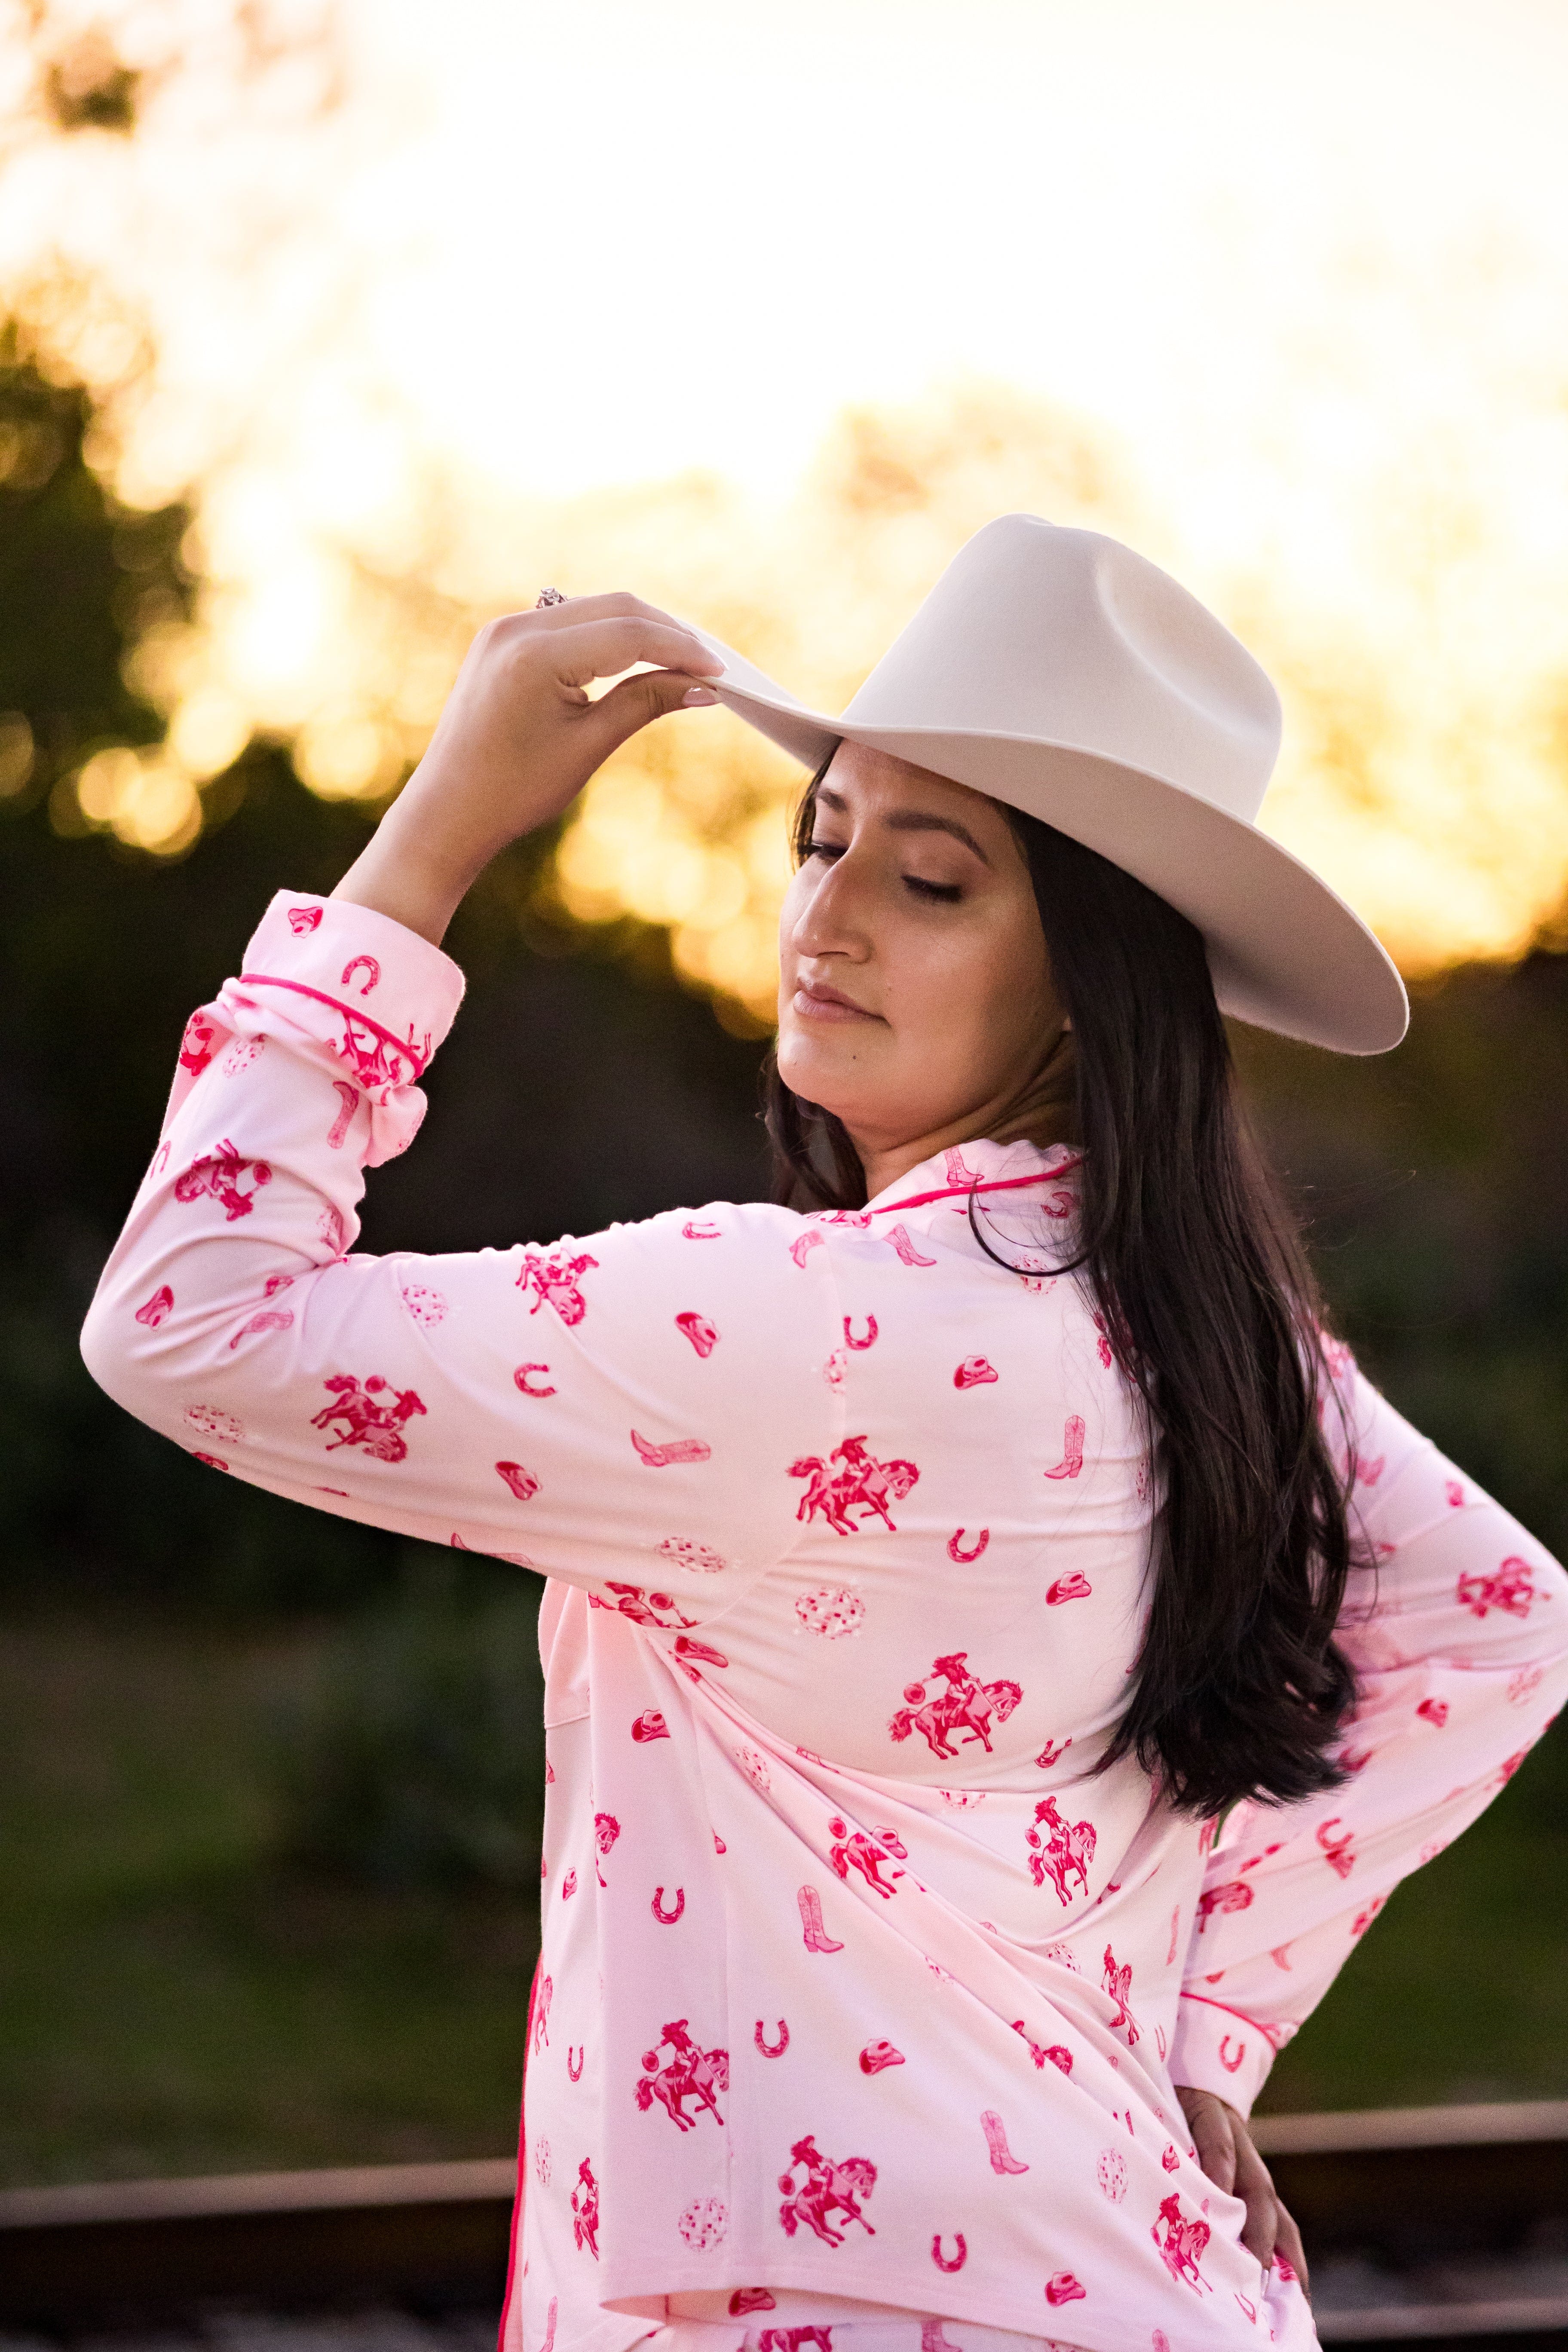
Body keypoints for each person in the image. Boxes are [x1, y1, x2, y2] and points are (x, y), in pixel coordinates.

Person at [81, 517, 1568, 2352]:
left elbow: (192, 1321)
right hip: (1152, 2292)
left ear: (1091, 979)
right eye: (825, 837)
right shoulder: (1215, 1329)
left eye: (931, 880)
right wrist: (1213, 2030)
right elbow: (1506, 1620)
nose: (831, 913)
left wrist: (441, 829)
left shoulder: (798, 1331)